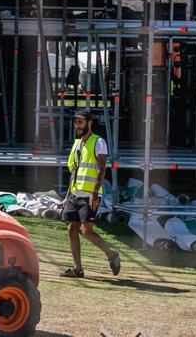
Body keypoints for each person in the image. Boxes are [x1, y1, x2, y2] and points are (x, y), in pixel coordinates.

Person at [60, 109, 121, 278]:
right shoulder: (77, 144)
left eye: (80, 122)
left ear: (89, 123)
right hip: (75, 194)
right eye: (75, 122)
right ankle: (78, 269)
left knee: (86, 231)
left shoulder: (98, 142)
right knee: (72, 230)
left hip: (90, 195)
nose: (77, 126)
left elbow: (102, 169)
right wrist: (67, 197)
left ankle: (111, 254)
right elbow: (74, 171)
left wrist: (94, 193)